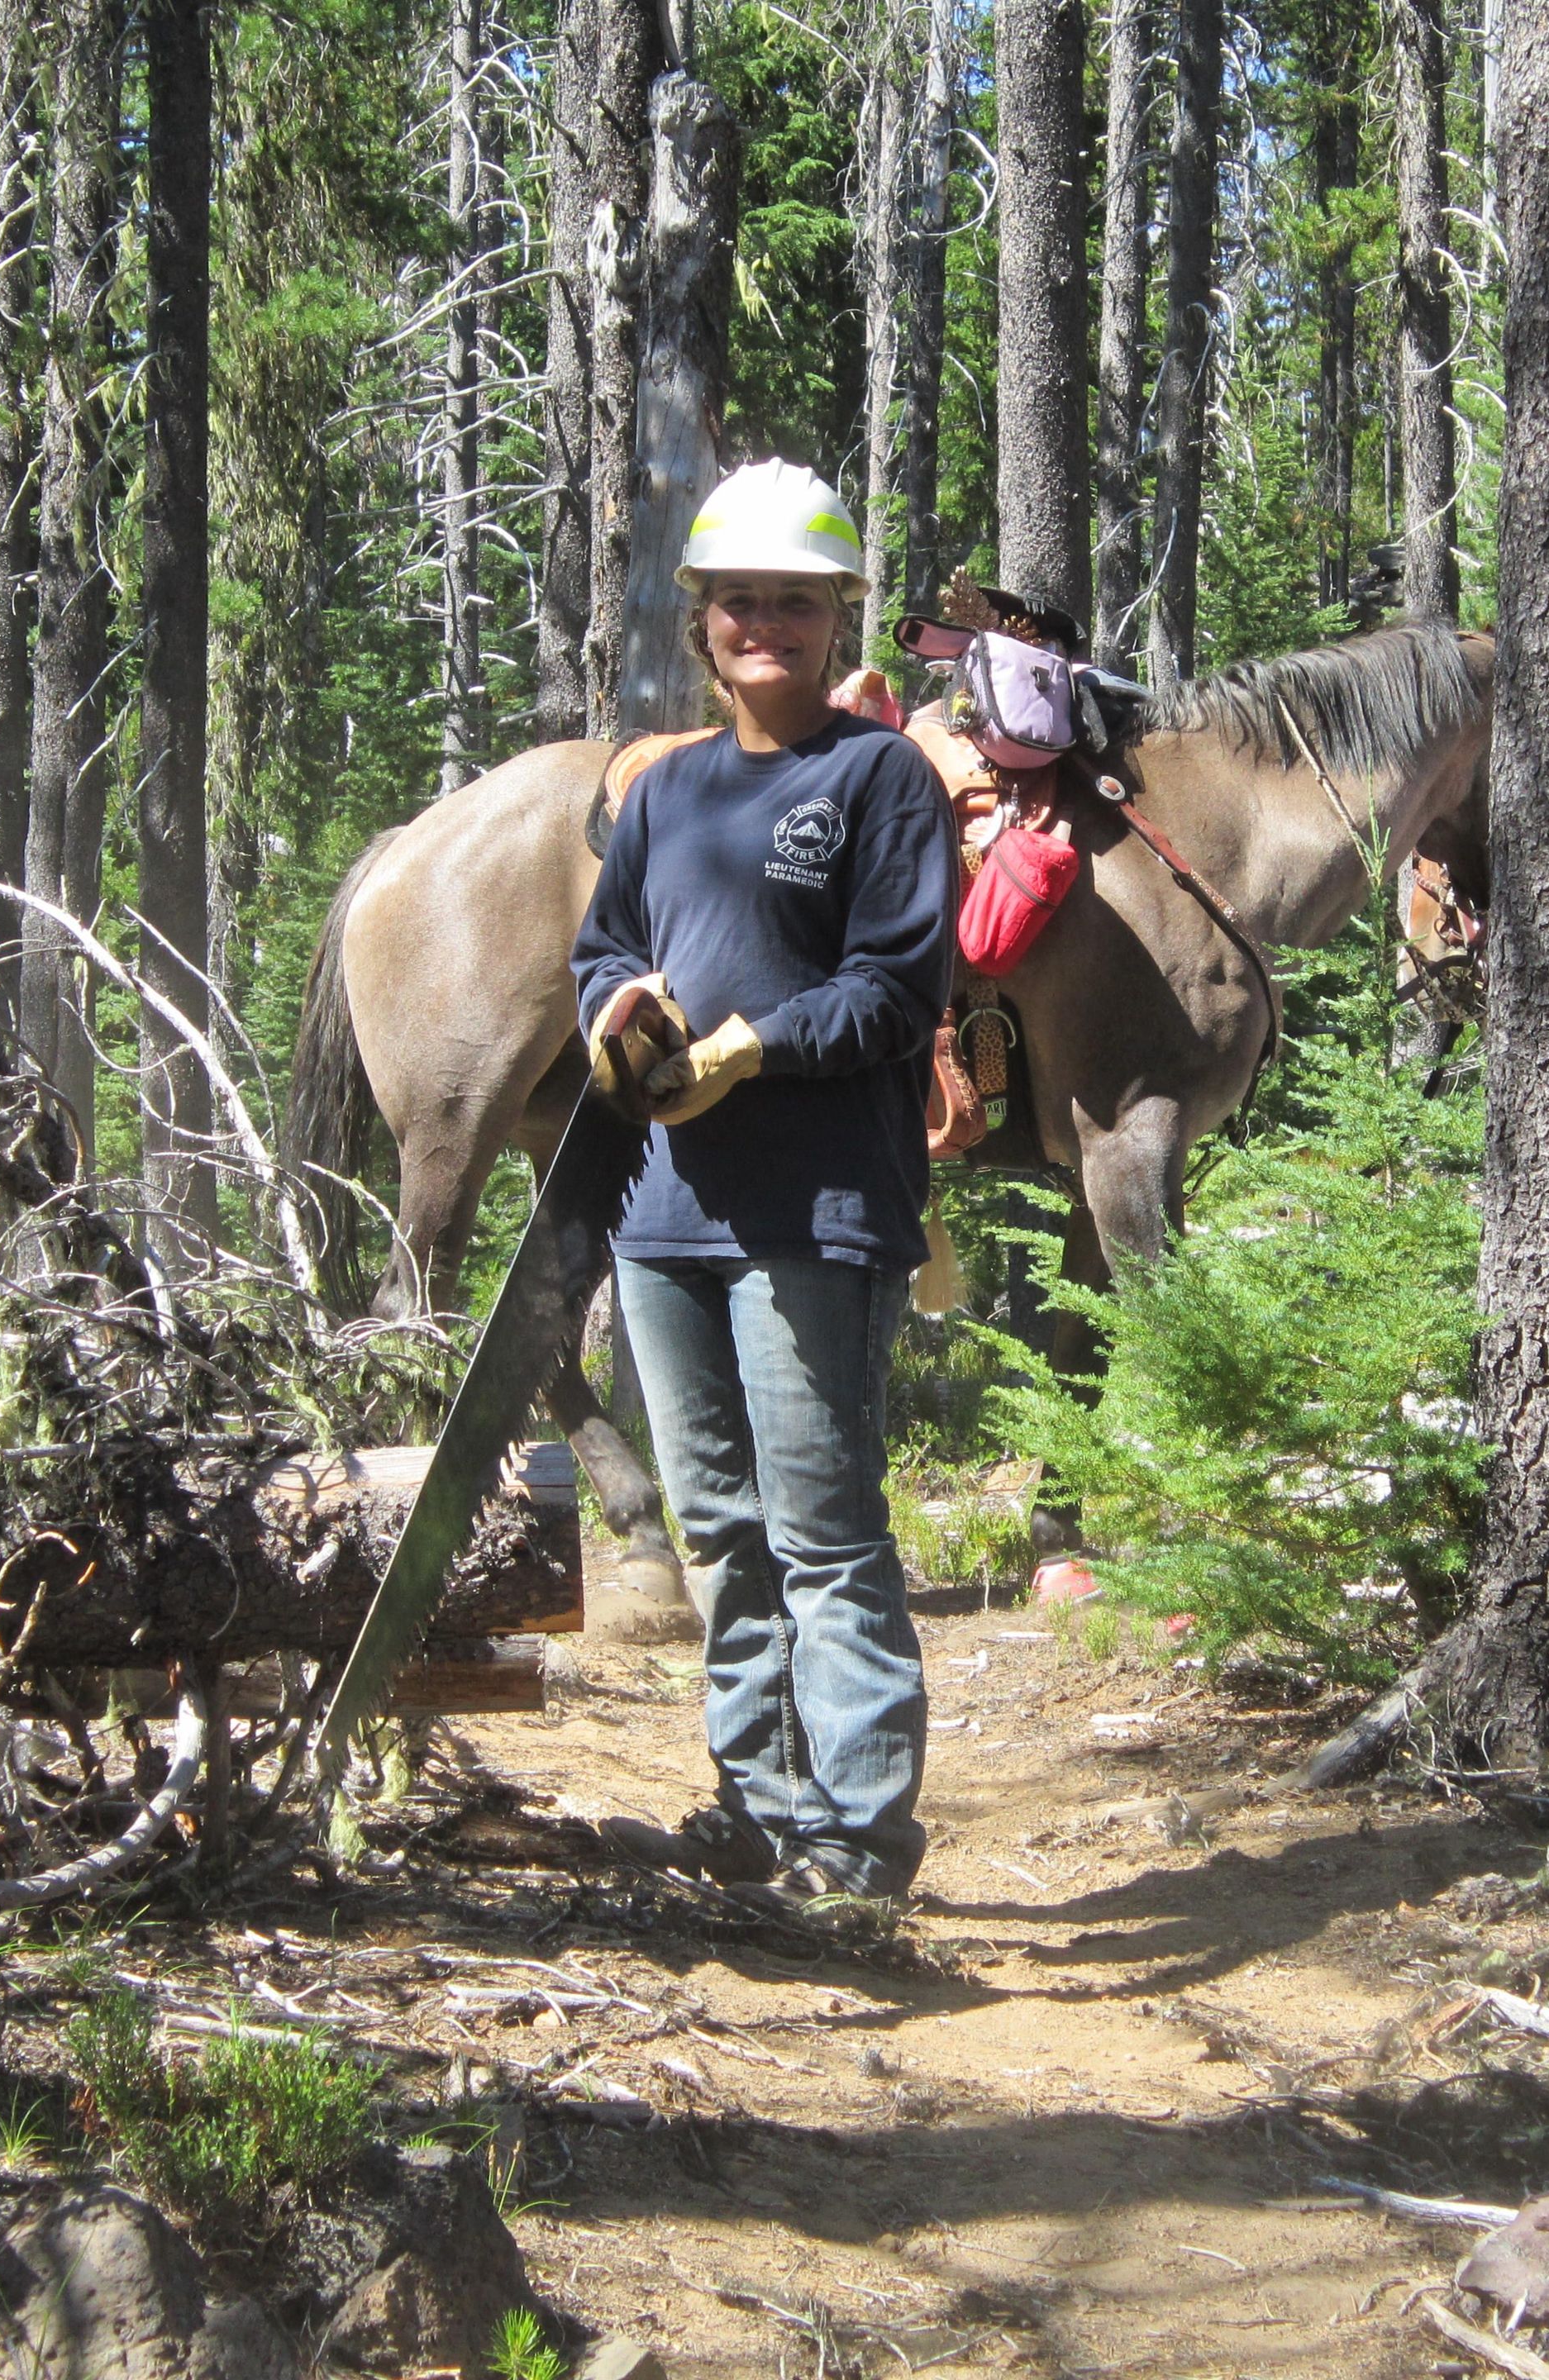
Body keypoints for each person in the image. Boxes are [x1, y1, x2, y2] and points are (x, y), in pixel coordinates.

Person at [568, 459, 954, 1917]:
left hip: (821, 1214)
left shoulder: (877, 778)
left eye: (795, 602)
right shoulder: (666, 794)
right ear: (703, 621)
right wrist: (618, 1018)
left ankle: (854, 1851)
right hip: (661, 1220)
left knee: (823, 1534)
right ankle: (759, 1805)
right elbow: (603, 949)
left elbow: (897, 995)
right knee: (720, 1535)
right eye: (740, 601)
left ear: (837, 614)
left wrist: (754, 1047)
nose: (765, 625)